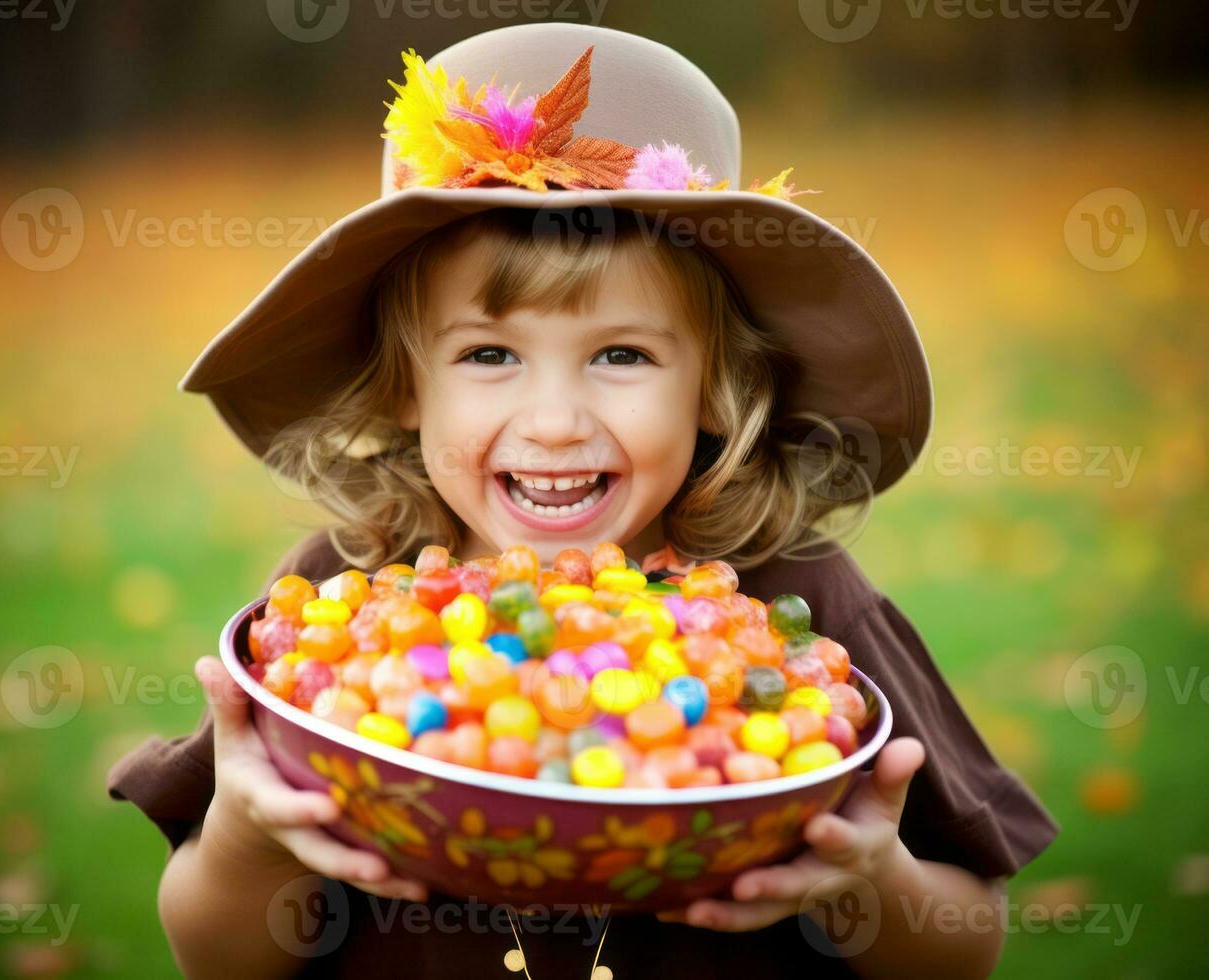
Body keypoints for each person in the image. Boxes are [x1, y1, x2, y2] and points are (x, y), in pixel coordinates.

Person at [107, 22, 1057, 978]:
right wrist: (245, 833)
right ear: (403, 383)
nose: (554, 421)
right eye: (488, 355)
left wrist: (868, 880)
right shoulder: (339, 599)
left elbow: (960, 953)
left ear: (713, 386)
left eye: (621, 355)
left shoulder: (798, 609)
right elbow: (217, 960)